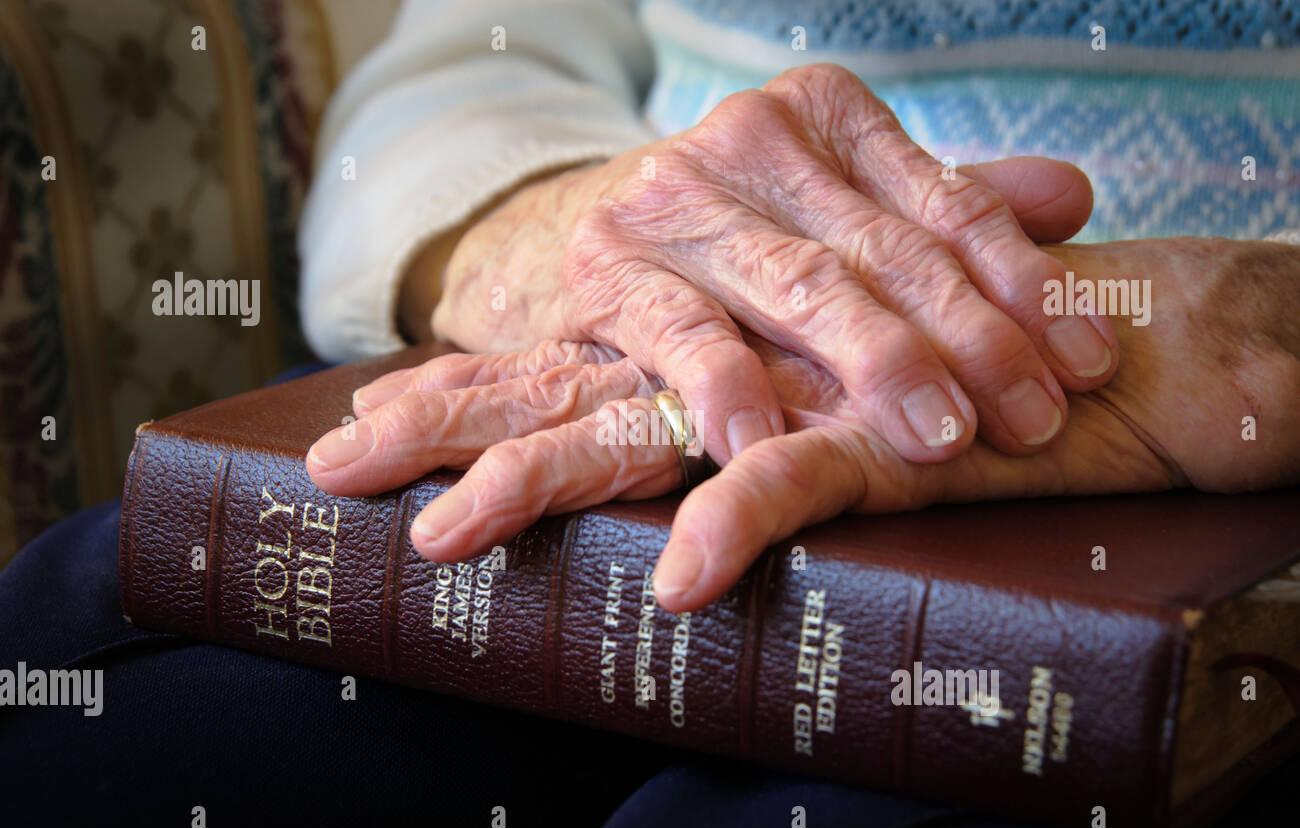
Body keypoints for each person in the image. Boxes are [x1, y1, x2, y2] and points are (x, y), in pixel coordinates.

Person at [298, 0, 1300, 609]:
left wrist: (1251, 321)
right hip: (650, 350)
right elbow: (472, 57)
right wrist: (584, 230)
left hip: (1208, 519)